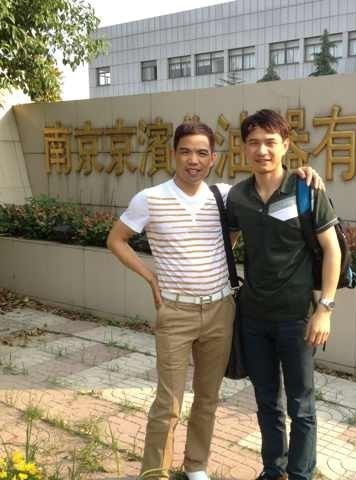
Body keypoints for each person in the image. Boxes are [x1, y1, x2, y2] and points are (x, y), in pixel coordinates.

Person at [106, 121, 323, 480]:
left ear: (213, 158)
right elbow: (116, 240)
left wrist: (304, 173)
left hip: (221, 310)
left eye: (202, 153)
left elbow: (264, 191)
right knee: (168, 403)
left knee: (207, 398)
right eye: (186, 152)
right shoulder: (149, 198)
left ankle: (196, 466)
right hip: (175, 313)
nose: (193, 160)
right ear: (173, 154)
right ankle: (154, 473)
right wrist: (150, 276)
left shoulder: (224, 196)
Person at [226, 110, 341, 480]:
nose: (262, 150)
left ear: (285, 145)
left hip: (297, 319)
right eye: (254, 143)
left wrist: (324, 308)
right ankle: (273, 469)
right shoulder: (238, 197)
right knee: (266, 402)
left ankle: (301, 473)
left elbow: (333, 251)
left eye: (270, 142)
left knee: (301, 405)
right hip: (254, 318)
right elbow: (226, 244)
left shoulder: (306, 189)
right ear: (244, 148)